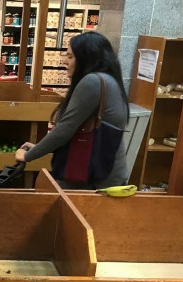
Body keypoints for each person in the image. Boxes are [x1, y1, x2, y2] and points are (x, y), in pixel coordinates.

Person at [15, 32, 130, 189]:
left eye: (70, 57)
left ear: (85, 58)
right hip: (107, 173)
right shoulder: (109, 80)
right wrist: (39, 147)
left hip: (93, 177)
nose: (65, 61)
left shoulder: (92, 82)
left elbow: (65, 129)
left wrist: (28, 156)